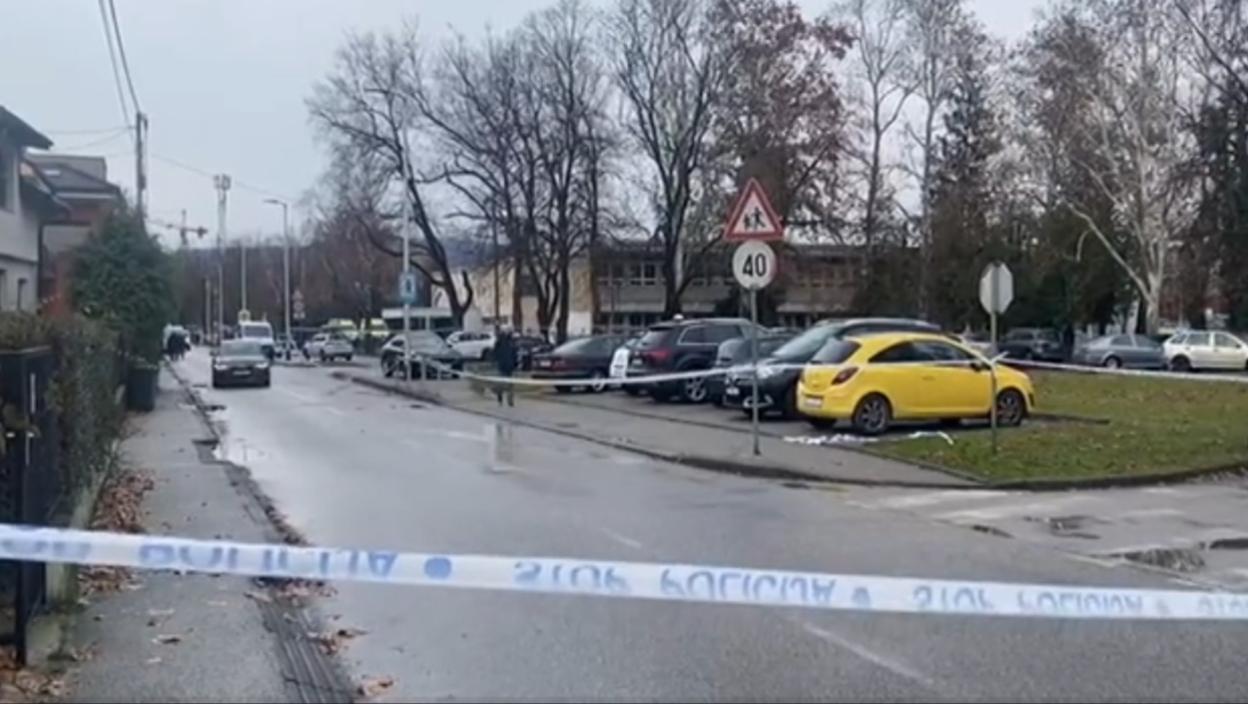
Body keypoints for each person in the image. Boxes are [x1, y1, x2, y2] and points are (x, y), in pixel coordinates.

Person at [493, 326, 517, 407]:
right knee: (501, 384)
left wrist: (515, 363)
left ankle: (510, 401)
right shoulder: (500, 341)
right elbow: (495, 352)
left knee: (510, 385)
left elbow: (514, 353)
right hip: (503, 365)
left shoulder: (511, 341)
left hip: (509, 366)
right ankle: (500, 399)